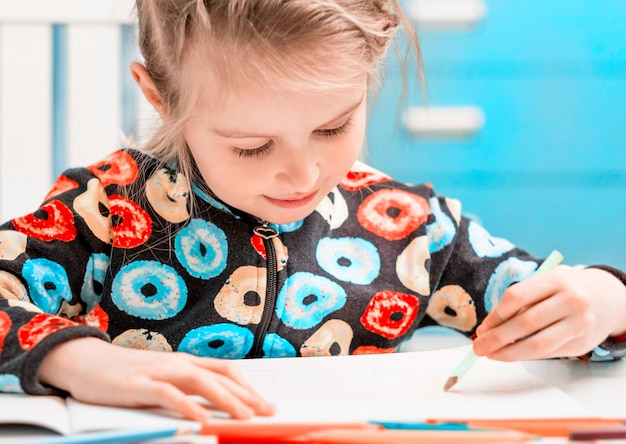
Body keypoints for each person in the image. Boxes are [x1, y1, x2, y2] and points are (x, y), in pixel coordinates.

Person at [1, 0, 625, 425]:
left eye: (332, 127)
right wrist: (73, 359)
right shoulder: (106, 210)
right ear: (160, 98)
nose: (301, 175)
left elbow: (553, 311)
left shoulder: (409, 225)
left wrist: (603, 302)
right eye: (251, 146)